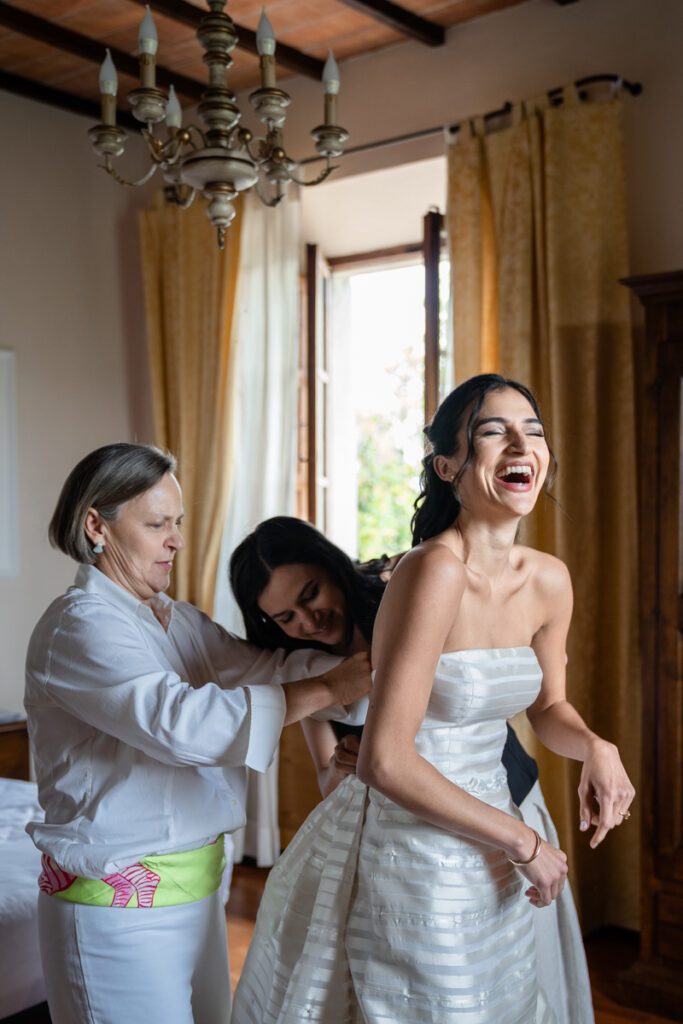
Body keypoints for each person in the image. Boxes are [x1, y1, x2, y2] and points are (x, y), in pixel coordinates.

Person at [231, 375, 635, 1024]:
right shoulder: (431, 571)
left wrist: (595, 746)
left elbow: (545, 709)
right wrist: (524, 844)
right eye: (491, 431)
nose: (518, 444)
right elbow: (383, 761)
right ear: (446, 465)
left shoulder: (549, 579)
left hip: (497, 823)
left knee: (501, 1000)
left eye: (531, 431)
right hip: (420, 845)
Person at [23, 443, 371, 1024]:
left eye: (177, 523)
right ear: (96, 526)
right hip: (116, 914)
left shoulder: (173, 618)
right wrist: (335, 687)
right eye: (158, 523)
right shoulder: (78, 627)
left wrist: (375, 659)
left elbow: (271, 669)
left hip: (200, 892)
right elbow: (184, 722)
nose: (176, 540)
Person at [230, 518, 594, 1022]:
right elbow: (330, 781)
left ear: (332, 565)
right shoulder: (303, 663)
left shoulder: (404, 587)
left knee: (513, 965)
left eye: (311, 594)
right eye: (286, 617)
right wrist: (342, 765)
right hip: (397, 834)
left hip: (498, 795)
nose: (309, 621)